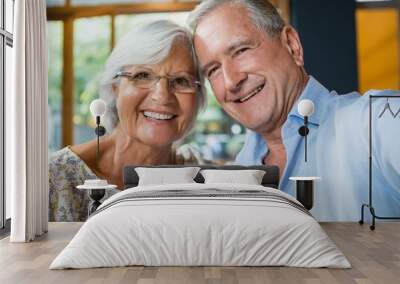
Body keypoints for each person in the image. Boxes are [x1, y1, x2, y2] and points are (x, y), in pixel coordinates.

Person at [188, 0, 400, 221]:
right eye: (213, 70)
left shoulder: (377, 123)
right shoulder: (237, 173)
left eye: (241, 50)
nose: (231, 81)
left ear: (292, 45)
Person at [49, 20, 206, 222]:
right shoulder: (53, 179)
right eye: (142, 76)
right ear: (115, 88)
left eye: (182, 80)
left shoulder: (200, 178)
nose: (162, 96)